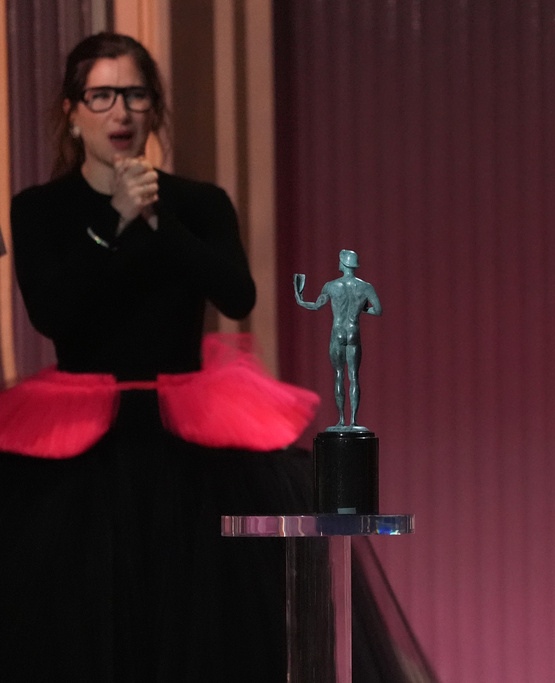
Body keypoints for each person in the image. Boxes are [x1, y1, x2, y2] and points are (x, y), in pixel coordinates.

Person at [0, 32, 318, 682]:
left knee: (206, 633)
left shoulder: (199, 203)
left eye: (136, 95)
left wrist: (157, 220)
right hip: (83, 457)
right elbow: (53, 311)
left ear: (154, 108)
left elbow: (237, 295)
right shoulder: (39, 209)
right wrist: (113, 220)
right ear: (72, 109)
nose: (120, 112)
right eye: (102, 95)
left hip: (190, 453)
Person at [294, 249, 382, 431]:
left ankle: (341, 420)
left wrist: (300, 300)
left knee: (339, 376)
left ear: (343, 263)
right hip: (353, 331)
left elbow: (317, 305)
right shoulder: (365, 287)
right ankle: (353, 421)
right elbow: (378, 310)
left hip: (338, 331)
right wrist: (361, 309)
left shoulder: (331, 286)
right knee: (354, 377)